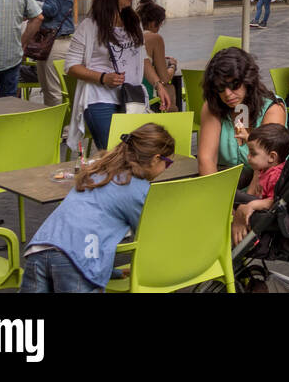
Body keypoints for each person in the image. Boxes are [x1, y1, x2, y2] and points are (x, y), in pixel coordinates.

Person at [20, 123, 176, 293]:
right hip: (77, 258)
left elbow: (92, 221)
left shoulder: (99, 171)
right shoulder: (137, 188)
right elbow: (149, 236)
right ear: (156, 159)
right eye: (167, 163)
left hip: (41, 247)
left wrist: (110, 271)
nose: (166, 168)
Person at [66, 0, 174, 155]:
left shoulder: (134, 22)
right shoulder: (89, 27)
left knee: (135, 152)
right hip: (99, 100)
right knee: (115, 153)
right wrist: (102, 78)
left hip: (132, 98)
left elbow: (142, 59)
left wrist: (158, 85)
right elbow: (71, 66)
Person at [197, 46, 287, 177]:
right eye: (220, 87)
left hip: (265, 187)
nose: (227, 94)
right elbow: (206, 160)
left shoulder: (273, 109)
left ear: (248, 81)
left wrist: (248, 197)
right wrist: (216, 195)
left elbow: (265, 168)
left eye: (234, 85)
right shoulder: (213, 106)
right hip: (223, 186)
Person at [231, 122, 289, 242]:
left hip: (267, 218)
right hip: (260, 212)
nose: (248, 157)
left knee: (230, 194)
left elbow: (275, 202)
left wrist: (252, 205)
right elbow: (261, 148)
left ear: (272, 157)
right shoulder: (267, 167)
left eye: (252, 153)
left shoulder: (276, 176)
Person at [31, 0, 75, 107]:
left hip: (57, 41)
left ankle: (60, 128)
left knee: (53, 88)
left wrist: (29, 1)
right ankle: (53, 124)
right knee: (47, 87)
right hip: (48, 40)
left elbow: (51, 9)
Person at [137, 0, 180, 110]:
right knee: (170, 89)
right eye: (160, 24)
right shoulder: (155, 38)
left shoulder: (135, 35)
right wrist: (172, 65)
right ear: (153, 23)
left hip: (133, 94)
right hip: (148, 96)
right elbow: (164, 78)